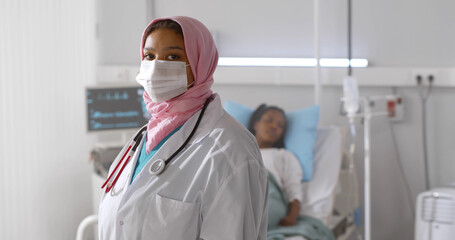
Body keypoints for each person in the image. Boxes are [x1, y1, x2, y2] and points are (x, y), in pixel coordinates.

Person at [98, 16, 268, 240]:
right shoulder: (144, 138)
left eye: (173, 57)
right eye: (149, 56)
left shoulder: (231, 151)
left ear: (201, 63)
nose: (157, 67)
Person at [248, 104, 303, 228]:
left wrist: (291, 218)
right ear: (256, 124)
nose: (274, 126)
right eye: (269, 120)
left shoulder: (285, 156)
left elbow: (294, 192)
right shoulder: (239, 151)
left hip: (270, 198)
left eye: (280, 125)